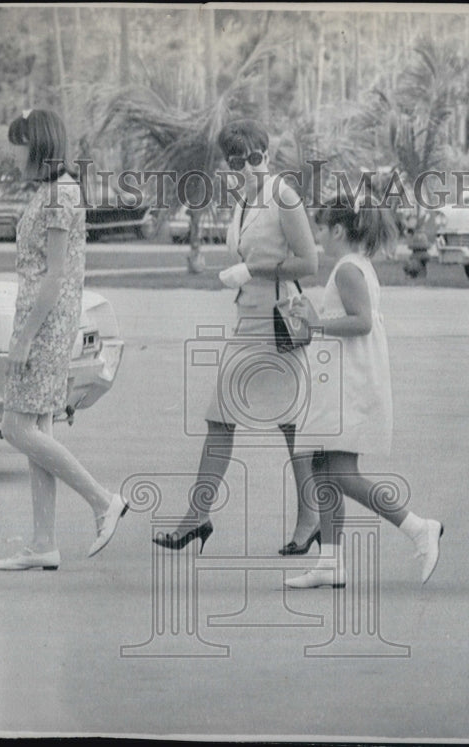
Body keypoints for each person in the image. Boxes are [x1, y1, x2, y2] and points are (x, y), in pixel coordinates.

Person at [153, 118, 320, 552]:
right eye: (236, 160)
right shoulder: (245, 199)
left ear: (266, 154)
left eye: (254, 157)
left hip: (278, 321)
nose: (247, 166)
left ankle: (309, 518)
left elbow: (309, 263)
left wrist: (253, 269)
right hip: (248, 320)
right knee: (222, 417)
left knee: (290, 424)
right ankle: (198, 515)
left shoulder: (282, 195)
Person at [282, 192, 444, 589]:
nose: (318, 235)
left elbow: (362, 323)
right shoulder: (353, 266)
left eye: (321, 227)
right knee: (323, 468)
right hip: (341, 379)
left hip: (349, 384)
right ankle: (330, 562)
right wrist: (310, 323)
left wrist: (316, 324)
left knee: (339, 471)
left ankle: (418, 527)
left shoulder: (348, 270)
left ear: (338, 229)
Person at [0, 109, 127, 571]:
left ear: (39, 145)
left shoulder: (59, 195)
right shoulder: (55, 191)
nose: (13, 152)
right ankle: (43, 542)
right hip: (43, 320)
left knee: (16, 427)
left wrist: (26, 338)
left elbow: (54, 278)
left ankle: (103, 500)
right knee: (38, 431)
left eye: (19, 143)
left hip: (45, 324)